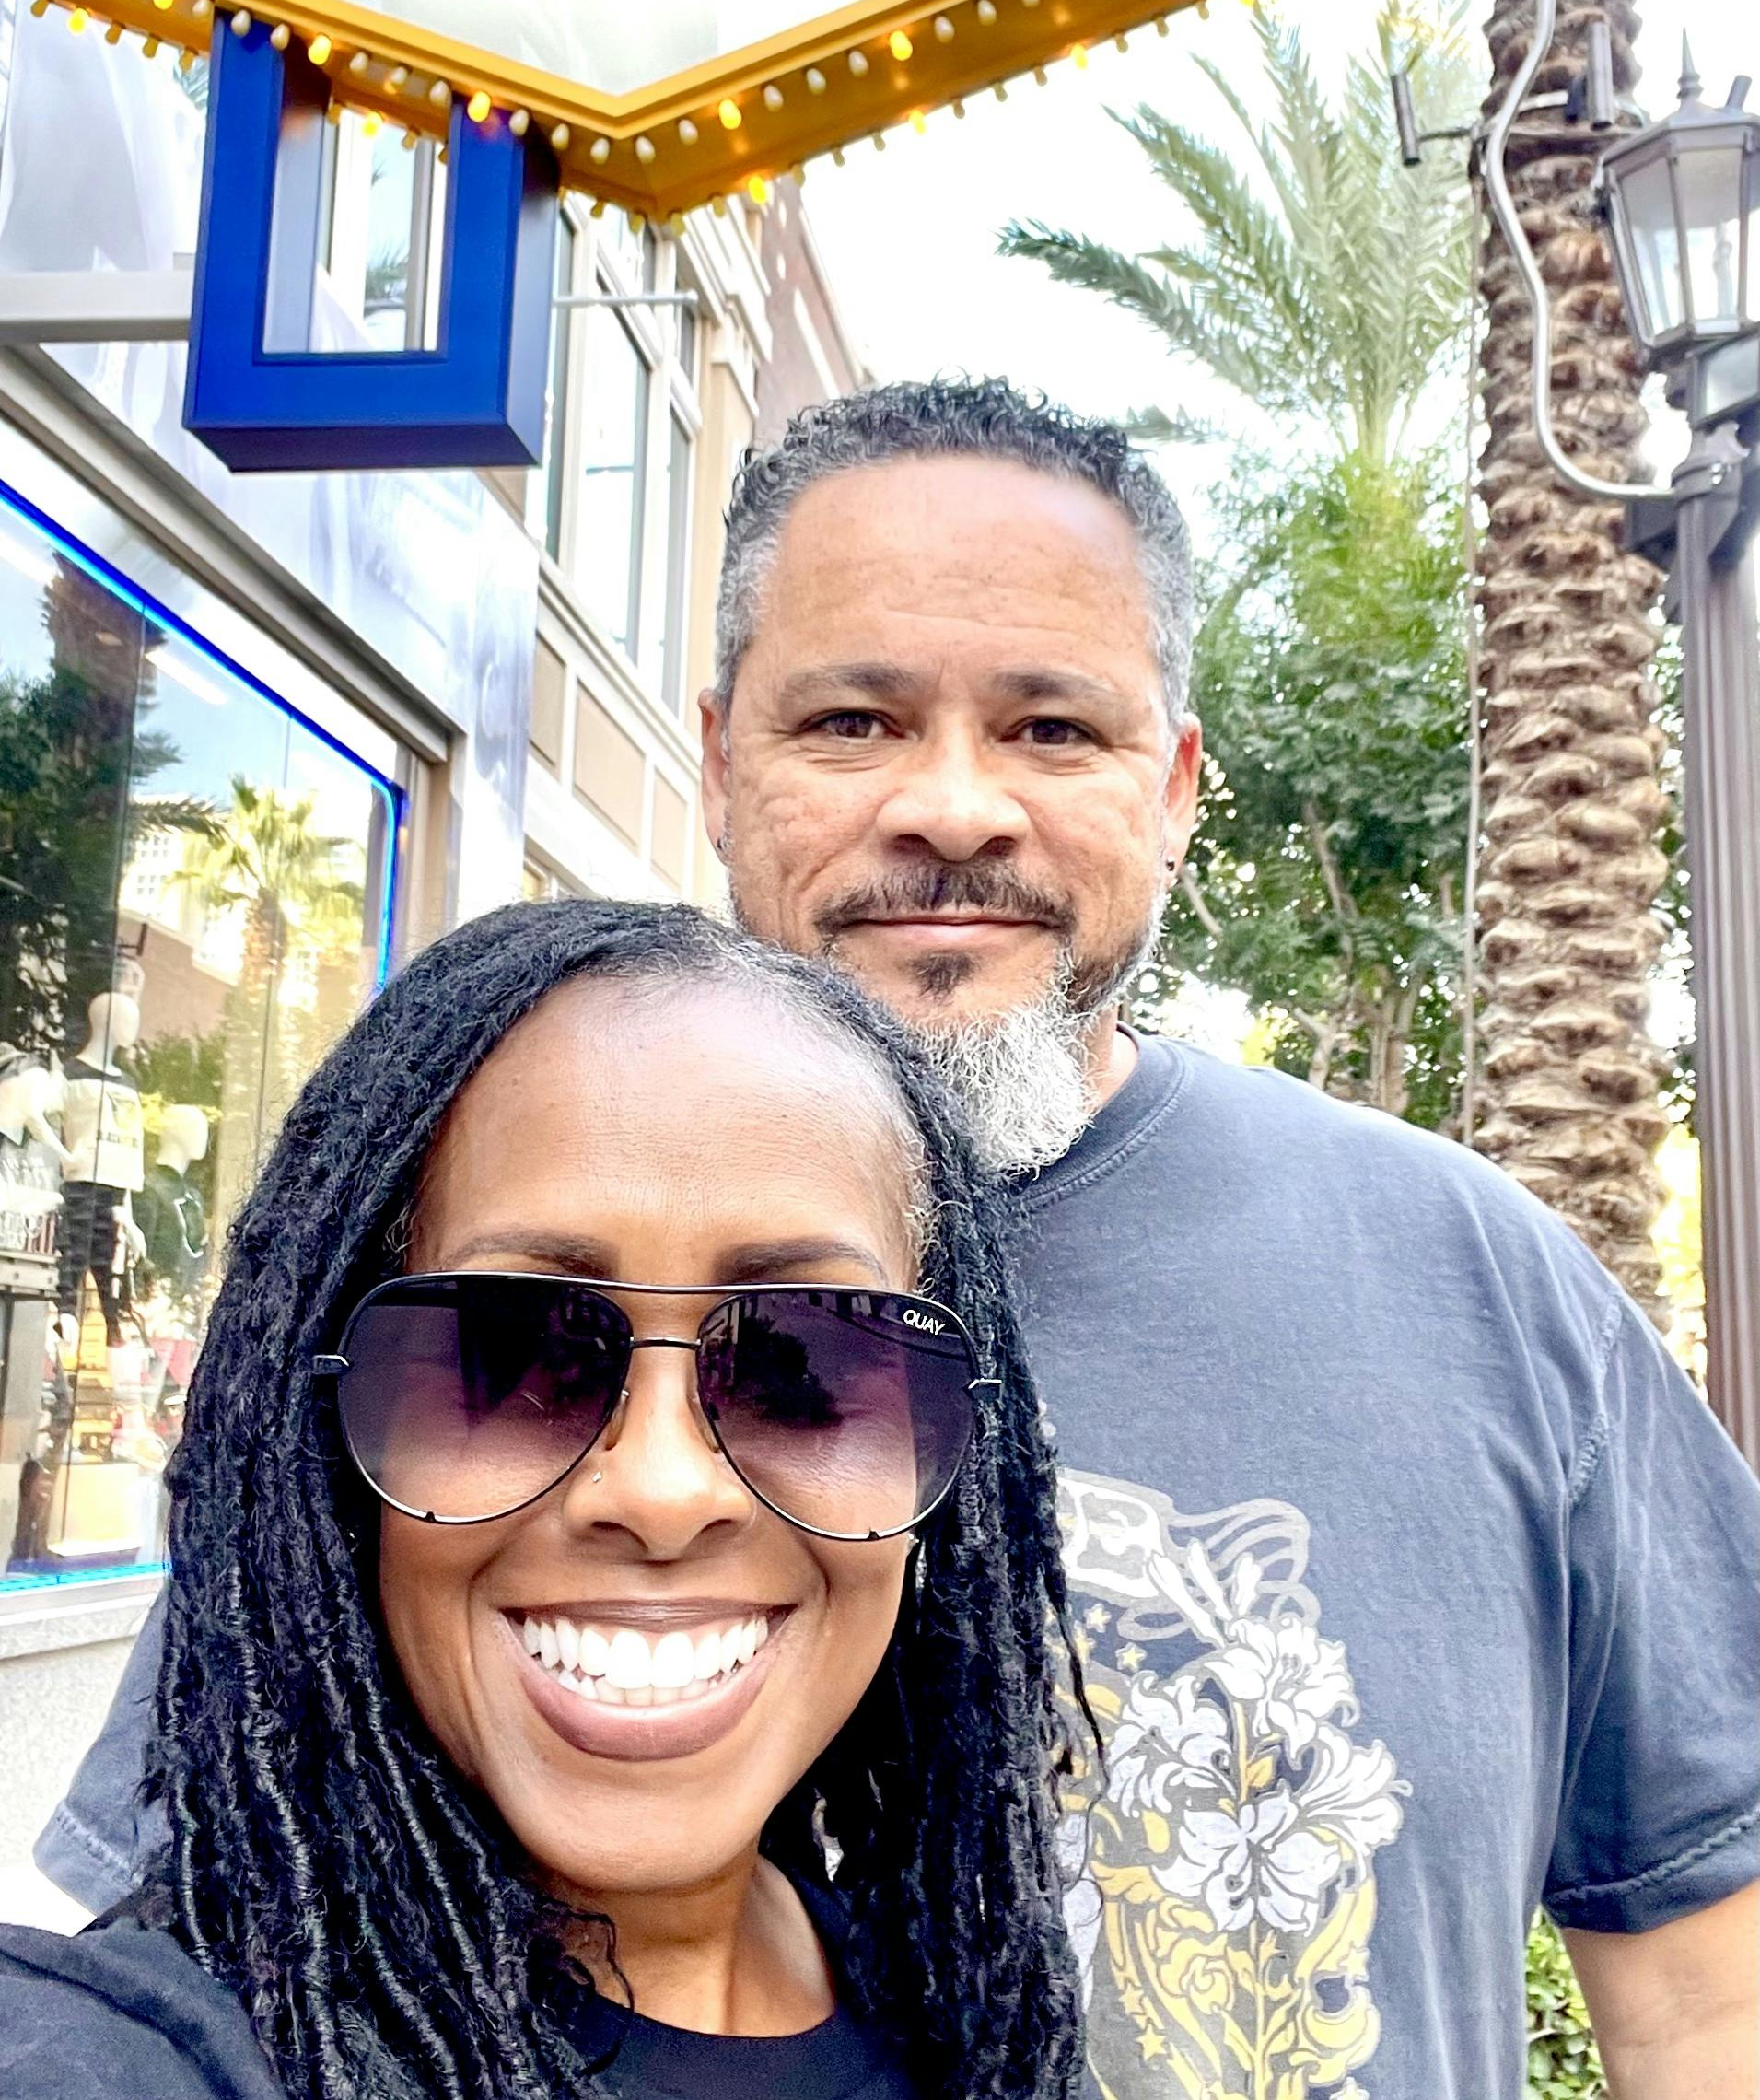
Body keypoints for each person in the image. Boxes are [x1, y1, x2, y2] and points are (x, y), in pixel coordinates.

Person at [41, 379, 1760, 2100]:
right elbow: (220, 1900)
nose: (954, 806)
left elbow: (1713, 1983)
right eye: (854, 721)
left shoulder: (1482, 1282)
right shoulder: (439, 1268)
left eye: (1052, 731)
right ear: (720, 763)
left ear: (1173, 791)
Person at [3, 900, 1086, 2100]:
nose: (666, 1492)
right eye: (516, 1358)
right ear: (328, 1430)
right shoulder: (149, 2047)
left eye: (800, 1364)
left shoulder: (971, 2020)